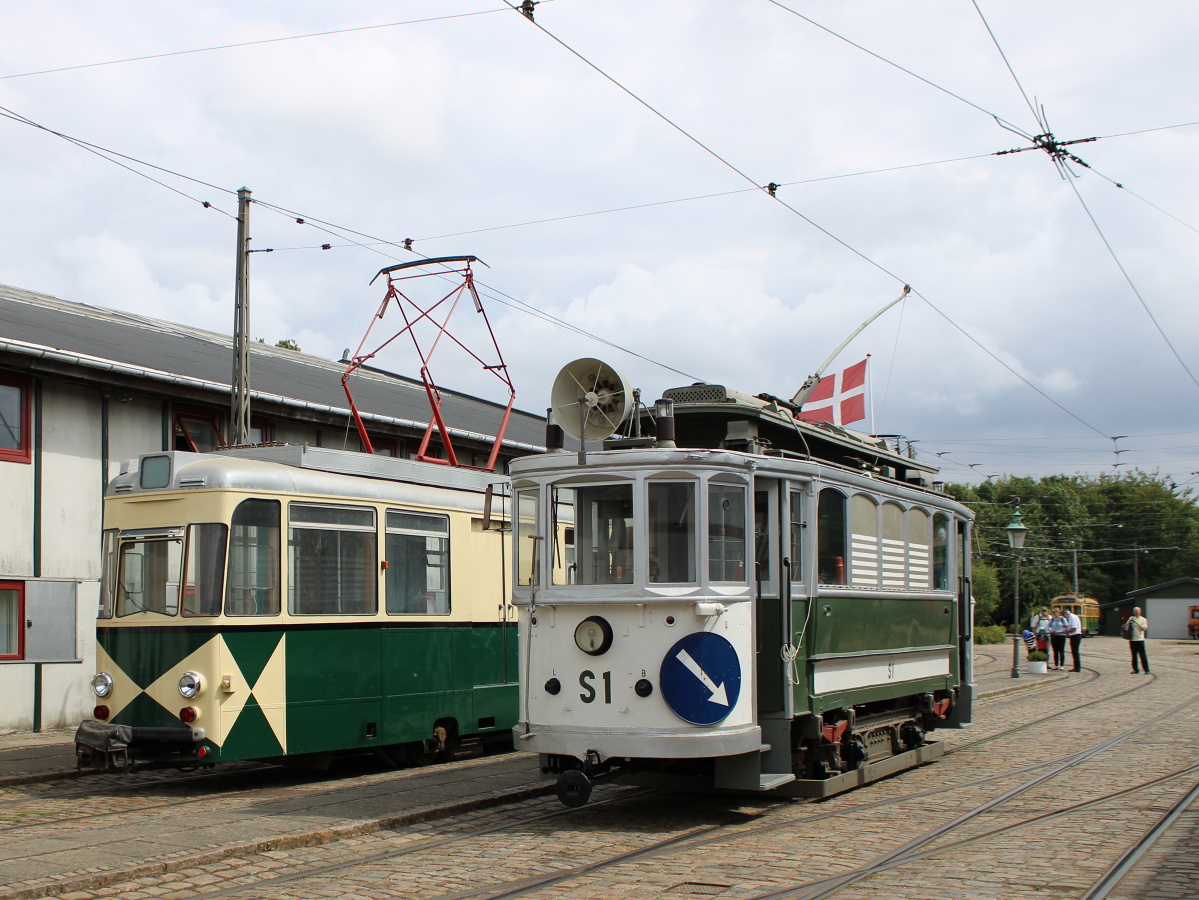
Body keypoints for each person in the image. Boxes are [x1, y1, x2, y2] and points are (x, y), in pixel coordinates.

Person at [1128, 607, 1150, 674]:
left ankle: (1146, 670)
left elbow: (1144, 628)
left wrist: (1137, 623)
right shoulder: (1131, 618)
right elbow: (1126, 626)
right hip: (1132, 640)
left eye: (1137, 611)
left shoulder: (1143, 619)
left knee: (1142, 655)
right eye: (1134, 611)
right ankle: (1135, 670)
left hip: (1140, 640)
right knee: (1134, 656)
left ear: (1140, 612)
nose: (1136, 612)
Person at [1064, 606, 1084, 671]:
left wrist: (1064, 631)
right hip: (1073, 636)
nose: (1065, 617)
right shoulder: (1070, 618)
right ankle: (1076, 666)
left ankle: (1077, 667)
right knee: (1074, 651)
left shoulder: (1072, 618)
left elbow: (1074, 628)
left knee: (1075, 651)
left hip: (1076, 635)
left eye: (1065, 616)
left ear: (1066, 614)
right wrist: (1066, 626)